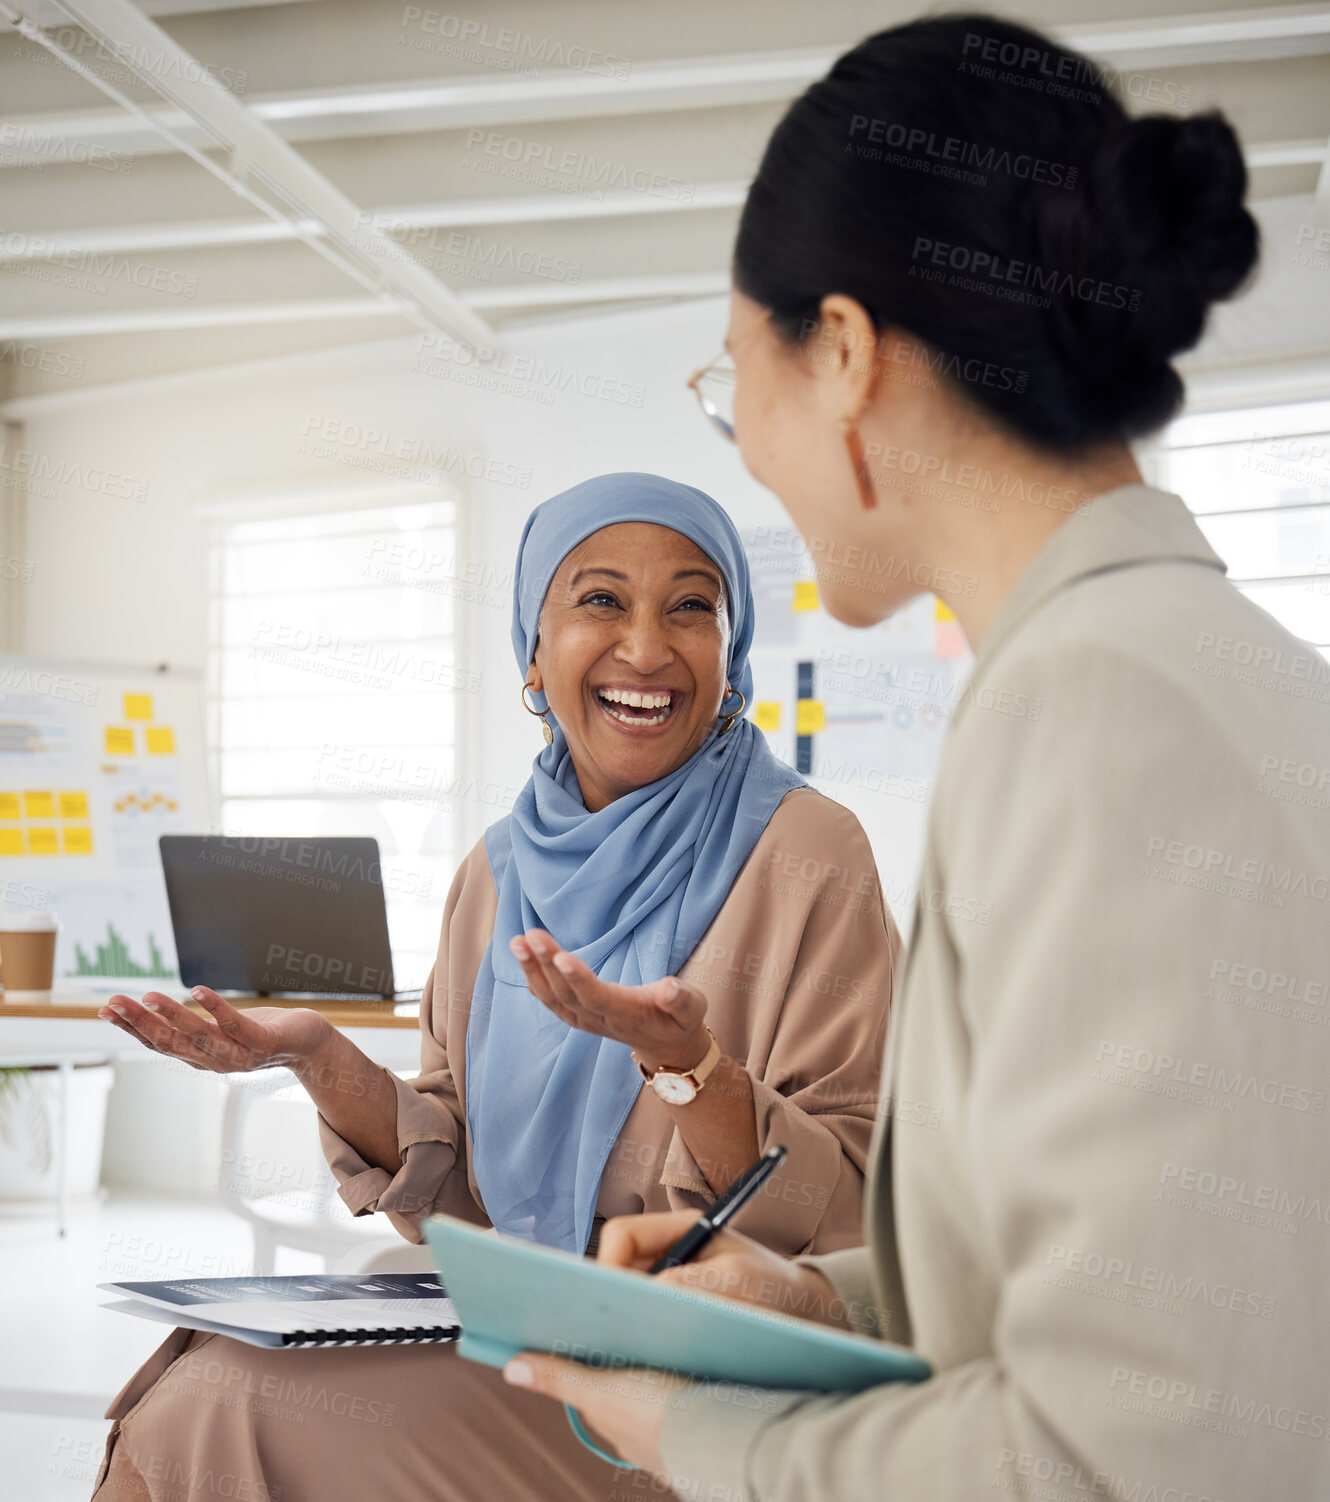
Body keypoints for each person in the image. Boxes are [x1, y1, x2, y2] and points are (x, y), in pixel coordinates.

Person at [499, 16, 1330, 1502]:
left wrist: (692, 1435)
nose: (744, 444)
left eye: (728, 382)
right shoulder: (1182, 672)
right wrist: (823, 1298)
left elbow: (1130, 1445)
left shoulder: (1103, 719)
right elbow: (1141, 1274)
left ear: (840, 352)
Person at [88, 473, 901, 1501]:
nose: (646, 647)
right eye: (600, 600)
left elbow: (849, 1216)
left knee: (227, 1406)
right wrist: (318, 1056)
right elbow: (455, 1193)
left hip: (700, 1390)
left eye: (691, 605)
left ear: (731, 657)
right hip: (513, 1327)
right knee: (198, 1376)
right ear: (532, 651)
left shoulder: (809, 853)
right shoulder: (499, 867)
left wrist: (686, 1064)